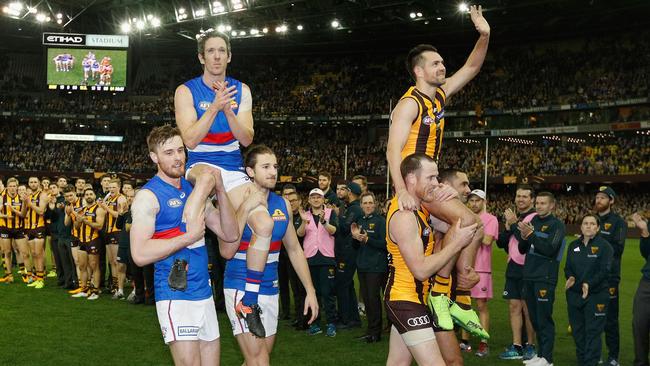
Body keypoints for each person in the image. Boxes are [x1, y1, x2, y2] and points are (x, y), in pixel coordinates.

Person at [386, 5, 490, 339]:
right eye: (436, 63)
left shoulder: (439, 97)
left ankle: (448, 294)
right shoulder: (409, 104)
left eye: (443, 62)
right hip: (416, 184)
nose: (443, 66)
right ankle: (453, 295)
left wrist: (484, 34)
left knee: (458, 226)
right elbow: (391, 149)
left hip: (430, 180)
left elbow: (472, 66)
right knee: (472, 222)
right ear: (419, 71)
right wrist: (402, 189)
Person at [174, 29, 273, 337]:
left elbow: (246, 138)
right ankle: (182, 258)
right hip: (200, 161)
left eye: (222, 51)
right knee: (207, 177)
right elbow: (189, 139)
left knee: (265, 223)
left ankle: (250, 301)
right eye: (211, 51)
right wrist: (214, 106)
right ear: (202, 57)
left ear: (229, 56)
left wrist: (227, 107)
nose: (216, 56)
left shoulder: (242, 89)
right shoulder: (186, 91)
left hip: (232, 163)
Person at [130, 125, 240, 365]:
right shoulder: (148, 197)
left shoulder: (193, 190)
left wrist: (220, 189)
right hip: (175, 295)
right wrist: (187, 238)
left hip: (203, 293)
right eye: (169, 152)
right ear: (154, 157)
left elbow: (229, 234)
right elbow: (139, 254)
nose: (178, 157)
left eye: (180, 150)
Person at [221, 145, 318, 365]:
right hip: (241, 285)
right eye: (265, 167)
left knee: (257, 358)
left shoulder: (282, 204)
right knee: (259, 361)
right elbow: (225, 248)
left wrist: (310, 290)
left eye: (274, 166)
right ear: (250, 171)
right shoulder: (233, 200)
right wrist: (245, 208)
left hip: (270, 288)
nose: (273, 172)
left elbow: (294, 249)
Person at [384, 153, 477, 366]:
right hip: (405, 300)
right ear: (411, 179)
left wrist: (453, 195)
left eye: (437, 178)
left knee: (398, 363)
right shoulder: (404, 217)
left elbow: (462, 223)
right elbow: (421, 270)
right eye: (431, 178)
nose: (436, 183)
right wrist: (456, 243)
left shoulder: (421, 211)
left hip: (416, 298)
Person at [516, 192, 566, 366]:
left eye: (543, 203)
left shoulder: (557, 226)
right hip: (529, 275)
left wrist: (531, 235)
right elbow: (522, 249)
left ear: (552, 205)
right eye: (537, 202)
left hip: (545, 277)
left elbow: (550, 249)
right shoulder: (533, 222)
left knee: (544, 318)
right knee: (535, 318)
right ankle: (541, 355)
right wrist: (523, 235)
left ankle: (548, 359)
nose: (538, 206)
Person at [565, 214, 613, 366]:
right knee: (578, 333)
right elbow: (568, 267)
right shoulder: (573, 245)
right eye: (585, 223)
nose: (588, 226)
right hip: (575, 295)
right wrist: (570, 277)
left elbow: (604, 271)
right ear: (581, 226)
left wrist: (588, 284)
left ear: (598, 228)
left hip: (596, 295)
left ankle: (590, 362)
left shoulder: (605, 247)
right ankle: (582, 361)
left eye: (592, 224)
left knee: (593, 332)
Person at [496, 185, 538, 360]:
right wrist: (507, 228)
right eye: (518, 196)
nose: (520, 199)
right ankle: (517, 345)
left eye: (525, 196)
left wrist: (513, 224)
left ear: (532, 200)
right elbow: (501, 243)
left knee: (528, 308)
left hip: (528, 267)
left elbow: (524, 240)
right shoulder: (516, 216)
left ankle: (530, 345)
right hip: (513, 267)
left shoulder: (534, 218)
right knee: (514, 306)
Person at [297, 188, 338, 337]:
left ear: (323, 200)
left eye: (318, 197)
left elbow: (334, 230)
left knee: (328, 293)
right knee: (313, 292)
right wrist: (303, 222)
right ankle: (314, 323)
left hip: (326, 257)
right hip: (310, 258)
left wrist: (324, 222)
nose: (315, 199)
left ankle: (331, 323)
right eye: (313, 197)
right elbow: (300, 234)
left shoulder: (330, 213)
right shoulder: (305, 215)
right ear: (309, 200)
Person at [462, 189, 498, 357]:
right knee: (464, 305)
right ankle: (465, 341)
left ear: (484, 201)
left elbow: (486, 240)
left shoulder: (491, 219)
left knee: (481, 306)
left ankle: (484, 343)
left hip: (482, 268)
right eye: (471, 200)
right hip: (465, 267)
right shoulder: (466, 217)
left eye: (477, 200)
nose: (474, 203)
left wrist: (474, 226)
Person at [594, 186, 627, 366]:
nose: (598, 200)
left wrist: (597, 239)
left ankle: (613, 357)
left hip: (610, 278)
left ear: (611, 201)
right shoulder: (592, 220)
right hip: (591, 278)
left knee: (610, 319)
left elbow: (619, 249)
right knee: (593, 316)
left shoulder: (618, 222)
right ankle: (595, 353)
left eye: (603, 197)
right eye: (597, 197)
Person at [352, 192, 387, 343]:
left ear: (375, 204)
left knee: (373, 299)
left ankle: (376, 332)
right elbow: (356, 246)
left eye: (370, 203)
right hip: (363, 265)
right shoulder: (359, 221)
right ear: (361, 205)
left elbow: (386, 244)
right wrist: (355, 238)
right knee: (367, 299)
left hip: (376, 266)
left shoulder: (381, 221)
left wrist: (368, 239)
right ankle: (370, 330)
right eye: (364, 203)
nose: (367, 206)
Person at [336, 181, 363, 329]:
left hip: (348, 253)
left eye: (344, 189)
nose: (341, 192)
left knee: (343, 285)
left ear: (350, 192)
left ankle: (345, 319)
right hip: (346, 251)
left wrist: (337, 214)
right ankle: (353, 318)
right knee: (348, 285)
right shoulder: (350, 208)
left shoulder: (355, 209)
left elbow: (345, 228)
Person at [73, 188, 106, 300]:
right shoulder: (81, 210)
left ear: (94, 196)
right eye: (86, 194)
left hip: (93, 240)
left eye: (91, 194)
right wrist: (78, 220)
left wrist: (86, 221)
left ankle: (95, 291)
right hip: (82, 240)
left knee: (94, 266)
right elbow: (76, 227)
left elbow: (100, 226)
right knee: (82, 266)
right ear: (84, 197)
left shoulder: (99, 209)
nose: (88, 196)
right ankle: (84, 289)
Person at [98, 178, 128, 297]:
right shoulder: (109, 198)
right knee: (111, 261)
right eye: (110, 187)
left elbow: (119, 215)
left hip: (116, 231)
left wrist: (105, 207)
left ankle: (118, 287)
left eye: (113, 187)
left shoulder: (121, 198)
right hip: (108, 231)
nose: (111, 189)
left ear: (119, 187)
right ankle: (114, 286)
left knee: (116, 261)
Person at [22, 176, 49, 289]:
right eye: (31, 182)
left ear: (38, 184)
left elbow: (41, 211)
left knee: (38, 253)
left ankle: (41, 279)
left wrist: (30, 203)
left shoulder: (42, 195)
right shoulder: (29, 196)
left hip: (39, 227)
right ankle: (37, 277)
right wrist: (25, 203)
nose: (33, 184)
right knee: (33, 254)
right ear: (28, 184)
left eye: (35, 182)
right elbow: (23, 214)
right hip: (29, 228)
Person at [0, 178, 28, 283]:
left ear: (17, 187)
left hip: (18, 228)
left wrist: (13, 211)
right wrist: (5, 216)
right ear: (7, 187)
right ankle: (9, 275)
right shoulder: (2, 198)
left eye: (14, 186)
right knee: (7, 252)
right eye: (10, 186)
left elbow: (24, 215)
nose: (12, 188)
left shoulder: (21, 199)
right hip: (5, 228)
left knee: (23, 252)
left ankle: (25, 274)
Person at [632, 212, 650, 366]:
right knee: (640, 323)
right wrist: (644, 232)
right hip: (648, 282)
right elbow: (646, 253)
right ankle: (641, 362)